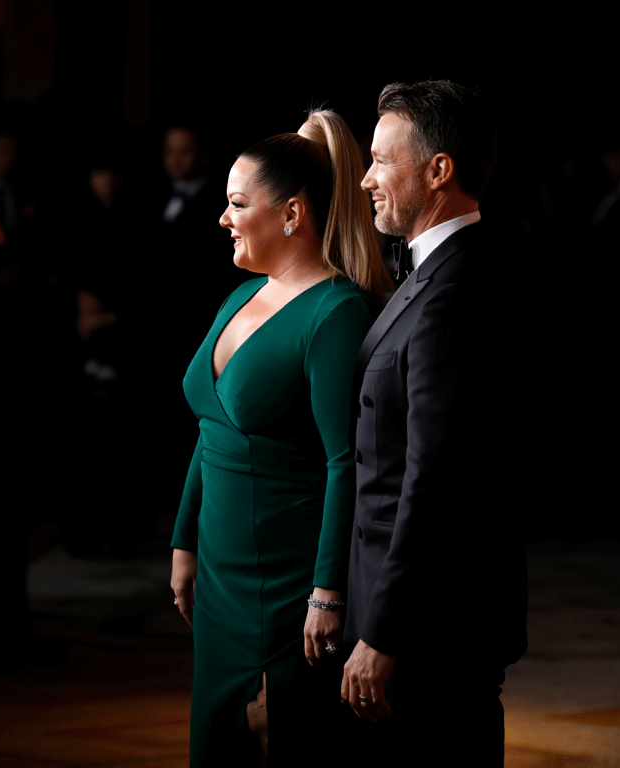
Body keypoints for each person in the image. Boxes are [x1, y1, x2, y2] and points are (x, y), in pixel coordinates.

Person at [170, 110, 393, 767]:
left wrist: (327, 593)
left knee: (277, 746)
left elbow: (344, 464)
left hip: (284, 588)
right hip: (218, 580)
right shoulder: (238, 298)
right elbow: (210, 428)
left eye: (237, 204)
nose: (223, 218)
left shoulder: (336, 313)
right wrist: (185, 540)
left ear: (292, 213)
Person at [342, 80, 528, 765]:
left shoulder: (459, 289)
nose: (364, 180)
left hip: (432, 630)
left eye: (380, 161)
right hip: (414, 614)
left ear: (438, 170)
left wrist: (383, 634)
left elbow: (435, 482)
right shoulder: (433, 272)